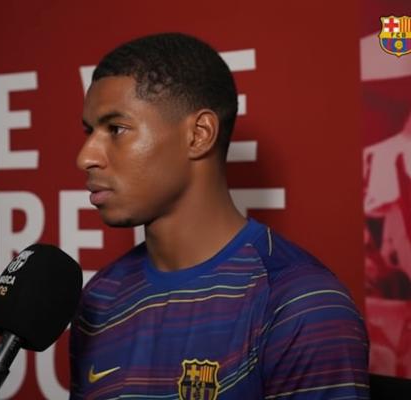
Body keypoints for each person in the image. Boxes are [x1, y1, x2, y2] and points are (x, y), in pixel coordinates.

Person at [70, 32, 368, 400]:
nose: (86, 157)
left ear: (199, 135)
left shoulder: (301, 304)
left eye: (116, 129)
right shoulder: (100, 297)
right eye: (89, 132)